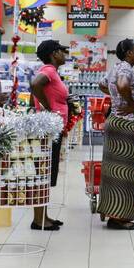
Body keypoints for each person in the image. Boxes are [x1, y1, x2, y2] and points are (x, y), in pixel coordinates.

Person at [97, 38, 134, 230]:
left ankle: (113, 213)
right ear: (128, 53)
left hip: (116, 124)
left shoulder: (116, 67)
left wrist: (116, 99)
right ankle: (121, 218)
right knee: (125, 173)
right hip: (126, 127)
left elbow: (103, 84)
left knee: (113, 173)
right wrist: (130, 104)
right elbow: (123, 85)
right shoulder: (126, 69)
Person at [28, 39, 75, 230]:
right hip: (47, 131)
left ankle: (44, 216)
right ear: (53, 54)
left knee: (46, 172)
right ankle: (39, 219)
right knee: (43, 173)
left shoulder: (52, 72)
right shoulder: (48, 70)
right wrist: (48, 108)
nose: (64, 54)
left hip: (51, 130)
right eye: (61, 51)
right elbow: (35, 85)